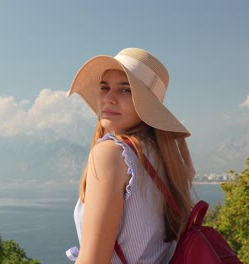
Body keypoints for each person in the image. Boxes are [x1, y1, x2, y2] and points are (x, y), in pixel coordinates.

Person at [65, 48, 196, 263]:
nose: (109, 98)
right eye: (104, 87)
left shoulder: (111, 154)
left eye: (125, 90)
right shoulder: (166, 158)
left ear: (148, 104)